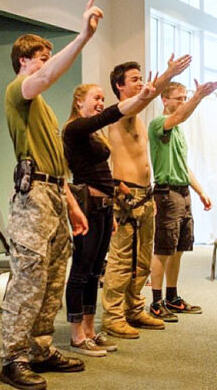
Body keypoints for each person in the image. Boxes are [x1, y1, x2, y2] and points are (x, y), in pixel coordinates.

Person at [0, 0, 103, 390]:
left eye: (48, 56)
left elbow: (56, 169)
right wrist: (83, 37)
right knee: (27, 281)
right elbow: (44, 78)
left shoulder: (45, 108)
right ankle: (12, 358)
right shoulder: (19, 90)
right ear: (24, 61)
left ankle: (40, 349)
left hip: (54, 197)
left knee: (52, 279)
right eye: (42, 56)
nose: (47, 63)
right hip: (32, 202)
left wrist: (72, 207)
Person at [63, 77, 157, 357]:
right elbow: (109, 116)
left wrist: (114, 199)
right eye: (96, 97)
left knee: (95, 271)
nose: (101, 103)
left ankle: (91, 331)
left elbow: (104, 173)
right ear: (79, 102)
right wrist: (141, 98)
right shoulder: (75, 129)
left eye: (103, 98)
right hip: (87, 205)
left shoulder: (94, 135)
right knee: (80, 271)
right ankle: (76, 336)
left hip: (104, 206)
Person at [101, 55, 192, 339]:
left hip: (145, 195)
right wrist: (168, 74)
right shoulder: (120, 112)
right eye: (134, 79)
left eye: (141, 78)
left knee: (141, 261)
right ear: (119, 86)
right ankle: (113, 316)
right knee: (121, 261)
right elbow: (145, 97)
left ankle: (133, 308)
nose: (141, 83)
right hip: (126, 197)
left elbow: (145, 100)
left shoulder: (140, 120)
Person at [148, 79, 217, 323]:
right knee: (163, 249)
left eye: (185, 97)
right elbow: (180, 116)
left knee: (178, 249)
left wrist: (200, 191)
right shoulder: (160, 124)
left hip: (183, 193)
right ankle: (155, 302)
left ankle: (172, 297)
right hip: (166, 194)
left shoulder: (178, 131)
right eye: (179, 98)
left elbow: (183, 166)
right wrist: (198, 97)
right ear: (164, 100)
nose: (182, 102)